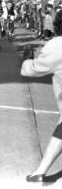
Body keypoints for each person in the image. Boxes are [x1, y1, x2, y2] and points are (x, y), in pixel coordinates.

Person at [22, 11, 62, 184]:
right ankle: (40, 172)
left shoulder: (57, 45)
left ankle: (40, 174)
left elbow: (32, 70)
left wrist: (26, 59)